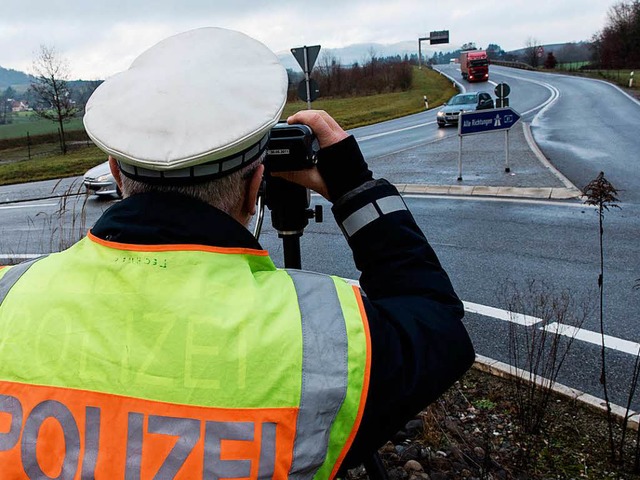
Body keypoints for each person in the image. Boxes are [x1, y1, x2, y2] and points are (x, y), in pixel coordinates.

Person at [0, 27, 474, 478]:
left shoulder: (11, 296)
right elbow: (435, 322)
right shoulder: (323, 344)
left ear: (116, 174)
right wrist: (355, 188)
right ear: (254, 189)